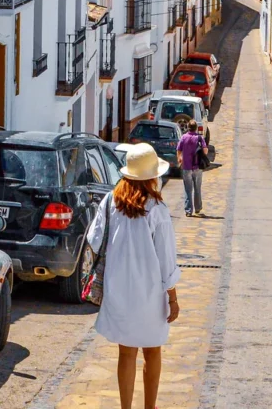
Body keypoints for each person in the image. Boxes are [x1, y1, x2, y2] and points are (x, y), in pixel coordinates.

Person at [87, 143, 180, 409]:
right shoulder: (156, 210)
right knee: (152, 351)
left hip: (118, 289)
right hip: (149, 294)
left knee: (126, 352)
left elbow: (94, 240)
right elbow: (166, 260)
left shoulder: (110, 202)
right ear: (152, 177)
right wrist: (172, 297)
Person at [176, 121, 207, 216]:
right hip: (197, 166)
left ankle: (188, 210)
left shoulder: (183, 137)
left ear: (187, 127)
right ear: (196, 128)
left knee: (188, 189)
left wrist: (180, 160)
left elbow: (178, 150)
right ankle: (198, 208)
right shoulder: (199, 138)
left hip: (186, 167)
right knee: (197, 188)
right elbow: (205, 151)